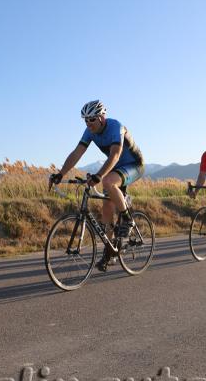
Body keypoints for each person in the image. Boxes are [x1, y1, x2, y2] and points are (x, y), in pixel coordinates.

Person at [49, 100, 144, 272]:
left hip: (134, 165)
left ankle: (128, 219)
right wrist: (61, 173)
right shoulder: (89, 132)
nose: (88, 123)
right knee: (106, 209)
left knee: (108, 182)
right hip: (116, 168)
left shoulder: (116, 127)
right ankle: (109, 253)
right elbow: (77, 152)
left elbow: (115, 155)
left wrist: (99, 176)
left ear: (101, 117)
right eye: (85, 120)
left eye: (91, 119)